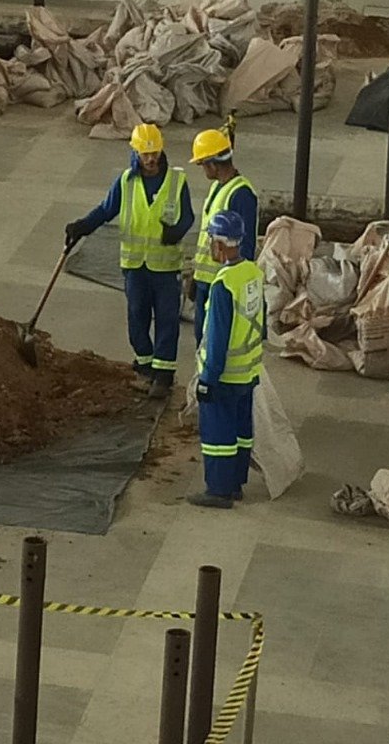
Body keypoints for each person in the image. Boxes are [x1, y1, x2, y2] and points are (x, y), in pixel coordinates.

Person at [66, 123, 195, 399]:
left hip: (165, 267)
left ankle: (163, 376)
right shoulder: (125, 182)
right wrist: (82, 226)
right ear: (135, 152)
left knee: (167, 320)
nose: (151, 160)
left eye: (155, 153)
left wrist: (177, 231)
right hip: (136, 267)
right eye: (145, 154)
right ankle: (145, 366)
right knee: (137, 317)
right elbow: (106, 210)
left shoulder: (176, 181)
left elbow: (188, 217)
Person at [191, 210, 265, 509]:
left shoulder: (223, 284)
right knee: (240, 430)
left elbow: (218, 337)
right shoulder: (253, 273)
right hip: (248, 371)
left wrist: (208, 378)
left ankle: (218, 490)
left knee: (218, 434)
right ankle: (235, 483)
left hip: (224, 376)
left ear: (219, 245)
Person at [189, 127, 257, 346]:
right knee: (203, 340)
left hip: (222, 284)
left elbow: (244, 246)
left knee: (215, 342)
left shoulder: (241, 195)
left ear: (211, 163)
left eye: (201, 164)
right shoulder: (219, 188)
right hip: (206, 281)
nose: (202, 170)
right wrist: (196, 275)